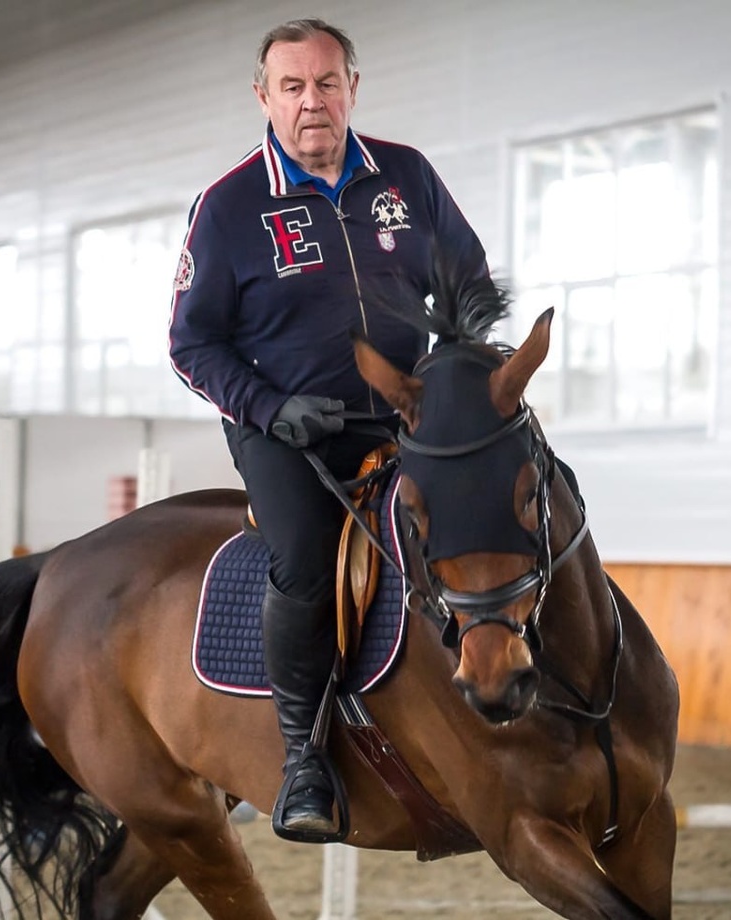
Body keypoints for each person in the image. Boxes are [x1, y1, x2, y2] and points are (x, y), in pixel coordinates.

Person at [168, 18, 488, 838]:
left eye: (326, 83)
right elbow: (191, 345)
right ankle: (303, 761)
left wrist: (451, 377)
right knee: (307, 559)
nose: (312, 101)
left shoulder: (407, 176)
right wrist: (270, 409)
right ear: (264, 97)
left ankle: (504, 691)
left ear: (352, 88)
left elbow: (468, 284)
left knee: (489, 515)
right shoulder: (228, 207)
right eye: (293, 87)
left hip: (404, 416)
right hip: (284, 430)